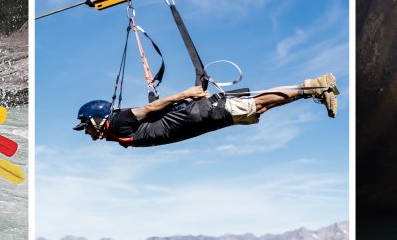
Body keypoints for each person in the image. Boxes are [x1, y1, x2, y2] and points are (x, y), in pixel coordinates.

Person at [73, 73, 339, 148]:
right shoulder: (114, 132)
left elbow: (151, 107)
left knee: (257, 103)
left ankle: (312, 86)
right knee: (260, 109)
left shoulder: (119, 121)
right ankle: (312, 91)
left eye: (86, 126)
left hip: (198, 115)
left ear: (97, 119)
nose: (86, 132)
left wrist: (185, 94)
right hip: (200, 120)